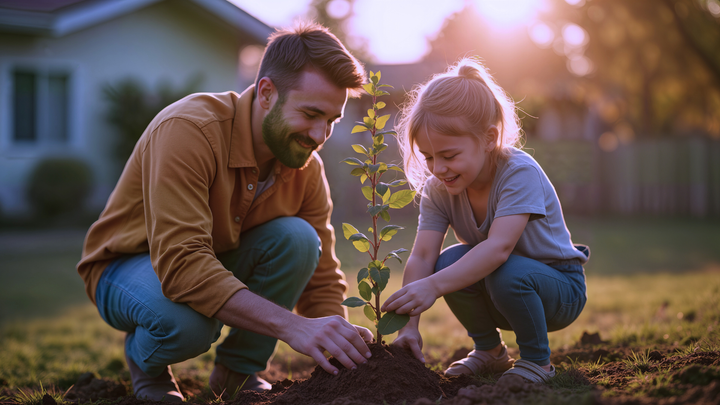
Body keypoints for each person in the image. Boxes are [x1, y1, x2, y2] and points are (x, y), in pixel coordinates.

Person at [77, 23, 374, 401]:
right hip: (125, 266)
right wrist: (291, 326)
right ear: (267, 92)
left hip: (208, 262)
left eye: (331, 121)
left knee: (300, 239)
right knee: (186, 326)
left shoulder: (305, 165)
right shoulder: (188, 131)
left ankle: (236, 373)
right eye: (311, 114)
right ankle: (146, 366)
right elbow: (182, 263)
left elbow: (321, 275)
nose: (319, 136)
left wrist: (340, 342)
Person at [381, 58, 590, 383]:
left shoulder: (519, 173)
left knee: (503, 271)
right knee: (447, 260)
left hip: (560, 289)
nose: (438, 168)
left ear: (490, 138)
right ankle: (490, 351)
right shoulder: (440, 188)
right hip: (502, 285)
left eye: (449, 155)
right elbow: (422, 256)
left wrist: (434, 287)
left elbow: (498, 249)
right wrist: (408, 326)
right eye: (429, 157)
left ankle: (537, 362)